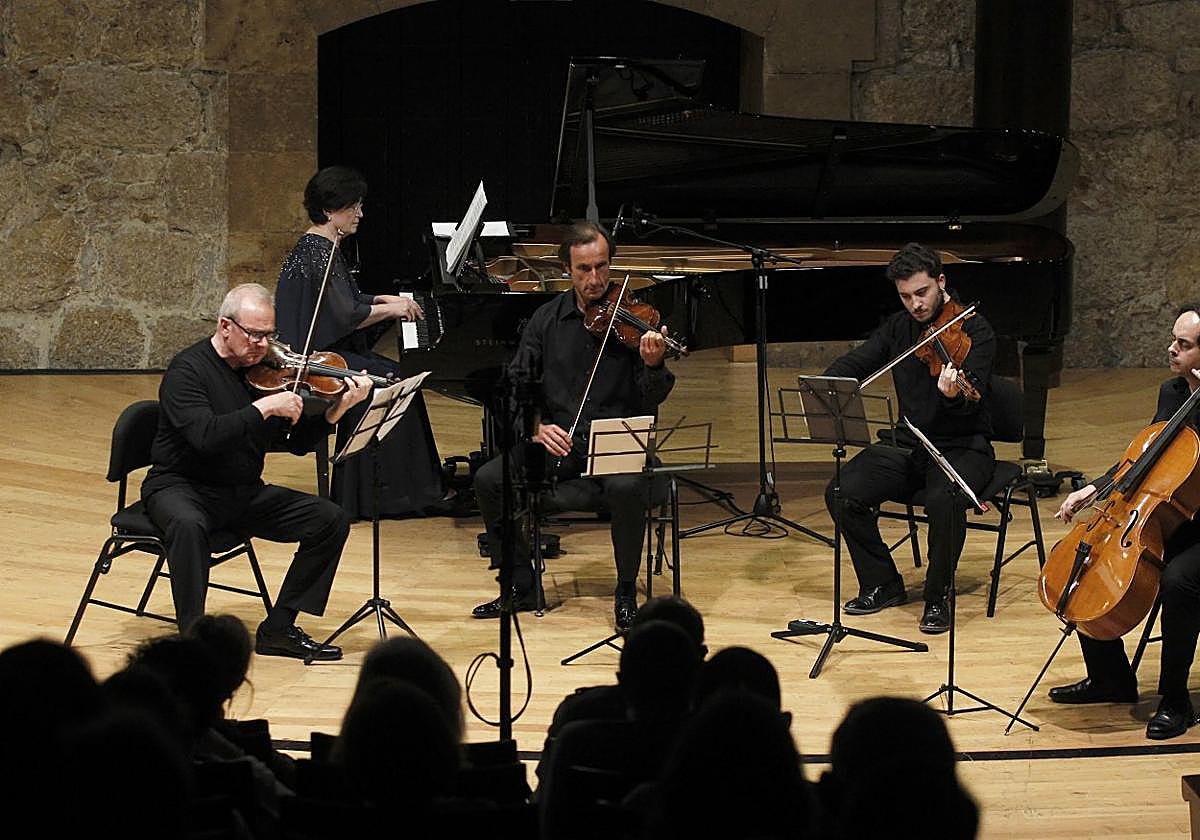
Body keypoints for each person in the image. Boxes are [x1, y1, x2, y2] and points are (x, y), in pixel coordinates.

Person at [142, 282, 372, 660]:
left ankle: (278, 629)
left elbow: (295, 443)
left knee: (329, 519)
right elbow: (205, 436)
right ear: (225, 326)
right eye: (254, 335)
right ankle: (192, 642)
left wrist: (339, 409)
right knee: (187, 525)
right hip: (180, 487)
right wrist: (264, 409)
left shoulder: (260, 373)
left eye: (269, 335)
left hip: (240, 491)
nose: (264, 346)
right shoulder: (188, 370)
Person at [471, 221, 675, 631]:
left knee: (626, 486)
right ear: (567, 268)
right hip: (558, 445)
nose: (595, 278)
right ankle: (521, 583)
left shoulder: (634, 323)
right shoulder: (546, 320)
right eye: (584, 269)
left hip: (616, 444)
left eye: (602, 266)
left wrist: (654, 365)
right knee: (490, 479)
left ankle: (624, 590)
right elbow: (516, 383)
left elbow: (652, 396)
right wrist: (535, 425)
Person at [823, 242, 996, 633]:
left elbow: (974, 398)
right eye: (906, 296)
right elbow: (863, 357)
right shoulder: (900, 328)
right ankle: (882, 582)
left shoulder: (975, 331)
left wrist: (953, 395)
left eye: (923, 293)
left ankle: (938, 596)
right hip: (911, 442)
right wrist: (829, 381)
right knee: (842, 492)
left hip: (962, 446)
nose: (916, 304)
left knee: (944, 499)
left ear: (941, 281)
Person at [1049, 303, 1200, 740]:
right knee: (1088, 560)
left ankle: (1176, 699)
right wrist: (1093, 489)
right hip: (1165, 514)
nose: (1171, 349)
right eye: (1174, 339)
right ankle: (1110, 678)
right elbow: (1144, 458)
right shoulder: (1172, 393)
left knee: (1178, 582)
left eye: (1183, 344)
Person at [275, 165, 447, 520]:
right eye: (353, 206)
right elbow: (344, 317)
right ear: (328, 211)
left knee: (396, 375)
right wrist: (390, 309)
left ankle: (401, 488)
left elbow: (339, 303)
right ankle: (387, 495)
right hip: (312, 361)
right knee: (392, 382)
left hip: (322, 350)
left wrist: (381, 298)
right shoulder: (319, 252)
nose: (360, 213)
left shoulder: (318, 246)